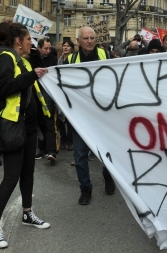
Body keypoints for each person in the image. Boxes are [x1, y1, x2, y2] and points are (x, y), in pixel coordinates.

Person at [0, 20, 51, 249]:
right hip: (12, 126)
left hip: (28, 125)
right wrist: (31, 75)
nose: (31, 43)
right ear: (17, 41)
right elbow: (3, 88)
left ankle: (27, 213)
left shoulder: (20, 59)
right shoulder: (4, 56)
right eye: (28, 40)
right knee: (11, 177)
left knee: (28, 172)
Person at [65, 26, 116, 205]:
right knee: (80, 156)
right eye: (85, 38)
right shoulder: (70, 59)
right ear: (78, 41)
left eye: (92, 38)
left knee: (106, 153)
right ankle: (85, 188)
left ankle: (108, 177)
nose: (89, 41)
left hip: (102, 116)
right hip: (80, 118)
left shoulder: (106, 55)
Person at [28, 37, 58, 164]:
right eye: (45, 48)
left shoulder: (53, 59)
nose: (48, 50)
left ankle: (52, 152)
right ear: (39, 48)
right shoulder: (32, 58)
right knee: (40, 124)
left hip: (48, 97)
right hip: (35, 96)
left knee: (49, 124)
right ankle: (42, 149)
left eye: (49, 48)